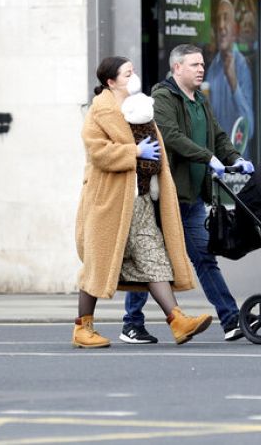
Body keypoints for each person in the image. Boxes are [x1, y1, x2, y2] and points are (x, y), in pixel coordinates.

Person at [73, 56, 213, 349]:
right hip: (110, 202)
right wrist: (133, 151)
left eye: (133, 71)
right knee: (98, 265)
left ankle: (177, 320)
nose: (132, 76)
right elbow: (98, 152)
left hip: (141, 200)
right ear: (111, 81)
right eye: (127, 73)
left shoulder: (138, 107)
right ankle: (82, 327)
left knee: (154, 258)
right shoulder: (101, 110)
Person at [121, 44, 254, 344]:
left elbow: (219, 136)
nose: (201, 69)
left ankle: (232, 320)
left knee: (205, 259)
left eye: (202, 65)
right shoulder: (163, 98)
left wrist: (234, 158)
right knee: (151, 262)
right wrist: (208, 158)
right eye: (194, 64)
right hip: (166, 198)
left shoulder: (200, 101)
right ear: (177, 68)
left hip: (192, 199)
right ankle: (131, 323)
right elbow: (170, 135)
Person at [204, 0, 255, 157]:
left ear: (235, 29)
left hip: (237, 167)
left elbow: (250, 129)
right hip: (215, 162)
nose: (221, 26)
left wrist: (233, 81)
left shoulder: (242, 66)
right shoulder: (212, 67)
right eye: (218, 20)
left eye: (226, 19)